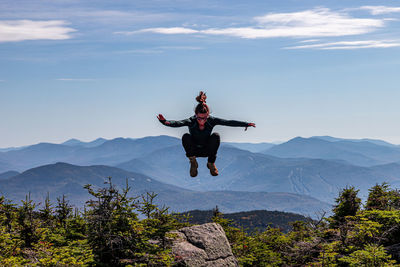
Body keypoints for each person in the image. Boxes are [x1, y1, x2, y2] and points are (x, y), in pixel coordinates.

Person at [157, 91, 256, 177]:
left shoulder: (211, 120)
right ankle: (193, 162)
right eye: (199, 118)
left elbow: (228, 122)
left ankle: (211, 163)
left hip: (207, 150)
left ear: (208, 115)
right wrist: (165, 122)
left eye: (204, 118)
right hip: (194, 150)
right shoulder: (191, 121)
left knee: (216, 136)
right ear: (196, 115)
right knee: (185, 136)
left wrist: (245, 124)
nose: (202, 121)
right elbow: (178, 123)